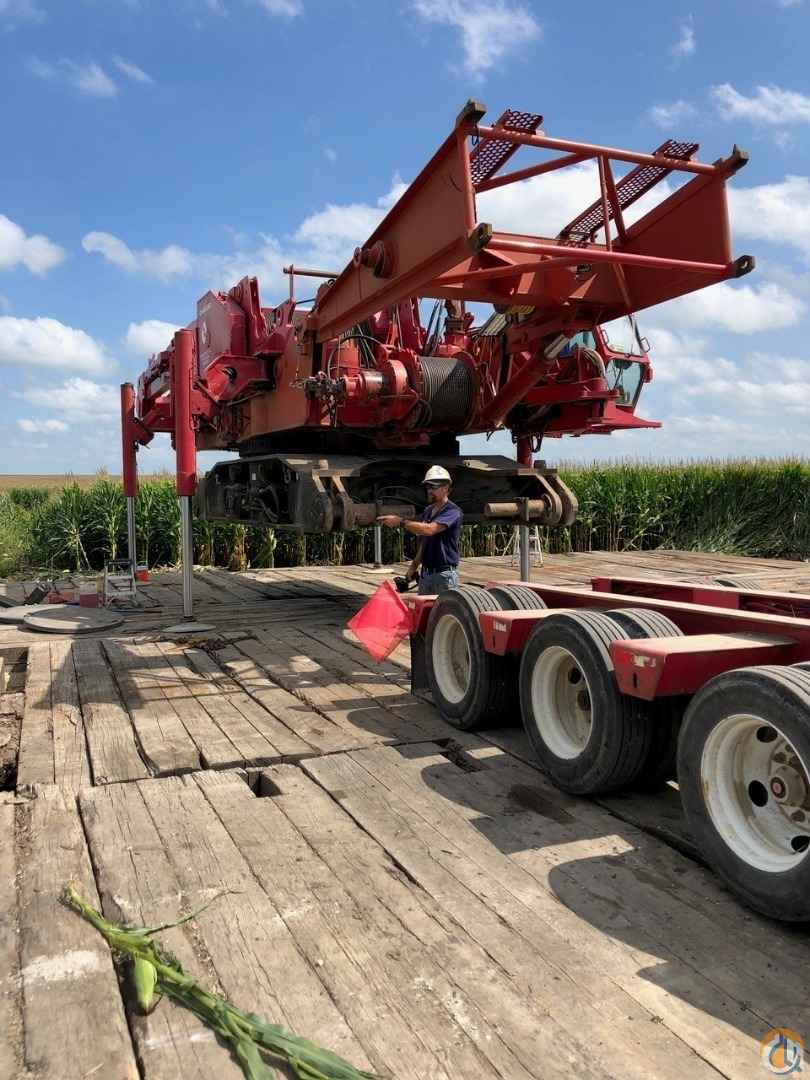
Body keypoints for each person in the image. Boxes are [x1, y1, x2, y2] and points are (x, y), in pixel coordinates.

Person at [377, 465, 462, 594]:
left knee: (444, 607)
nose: (429, 491)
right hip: (426, 575)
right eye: (427, 487)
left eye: (433, 487)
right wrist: (413, 568)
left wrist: (400, 522)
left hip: (444, 575)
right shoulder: (428, 511)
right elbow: (424, 541)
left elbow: (430, 530)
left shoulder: (452, 511)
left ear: (445, 488)